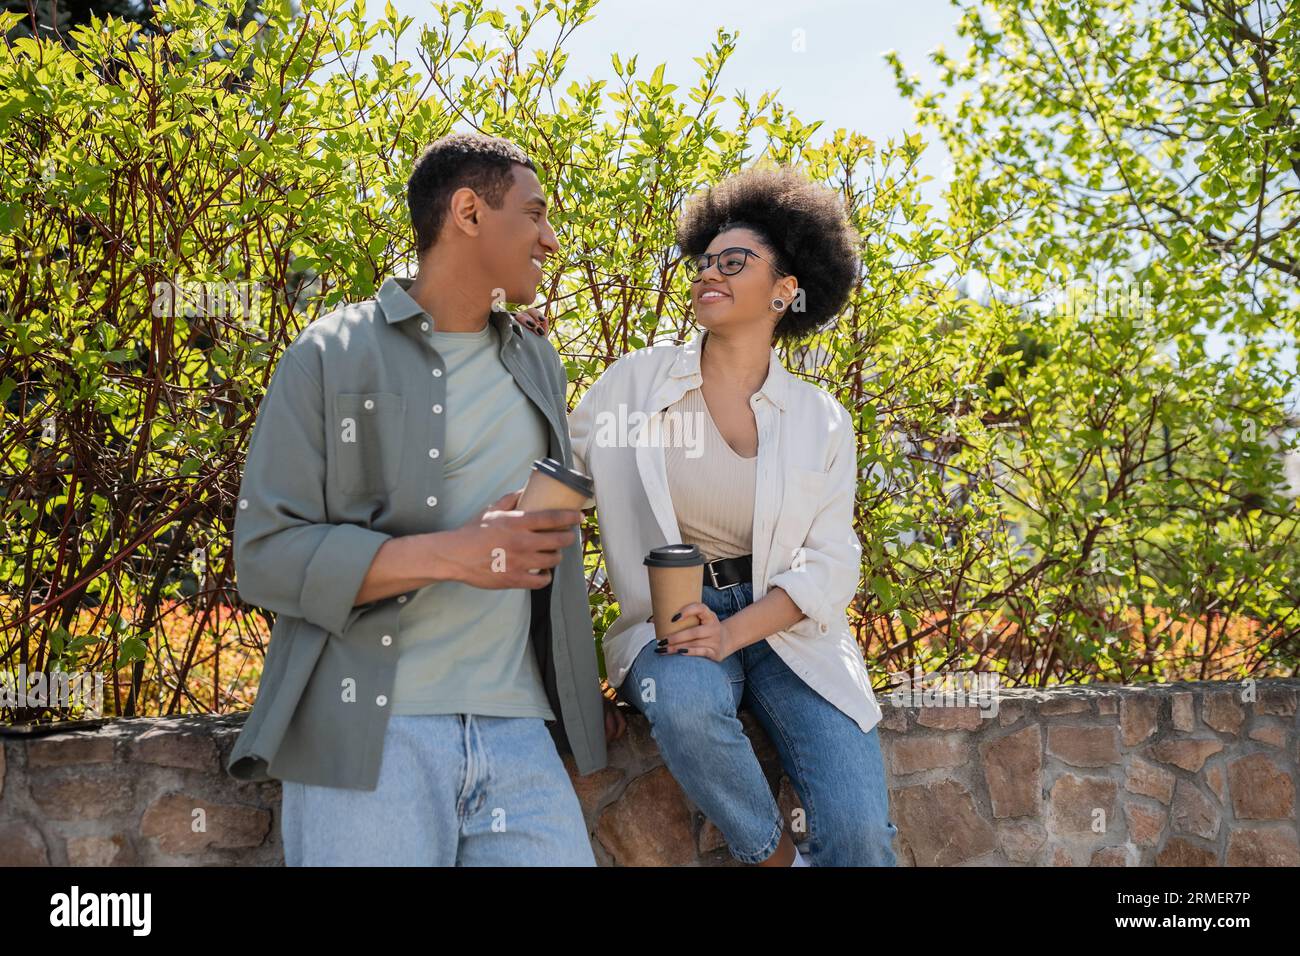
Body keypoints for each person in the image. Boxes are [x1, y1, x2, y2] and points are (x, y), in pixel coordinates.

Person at [225, 132, 625, 866]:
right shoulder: (327, 354)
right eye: (534, 215)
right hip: (369, 733)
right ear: (469, 212)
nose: (551, 237)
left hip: (518, 735)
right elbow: (265, 560)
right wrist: (456, 555)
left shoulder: (537, 358)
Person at [559, 166, 898, 866]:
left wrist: (735, 631)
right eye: (704, 262)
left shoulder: (821, 420)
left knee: (863, 836)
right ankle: (774, 861)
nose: (709, 273)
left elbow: (835, 564)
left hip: (788, 626)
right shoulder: (634, 383)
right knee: (682, 703)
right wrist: (519, 361)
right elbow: (560, 478)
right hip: (673, 621)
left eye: (734, 262)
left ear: (786, 290)